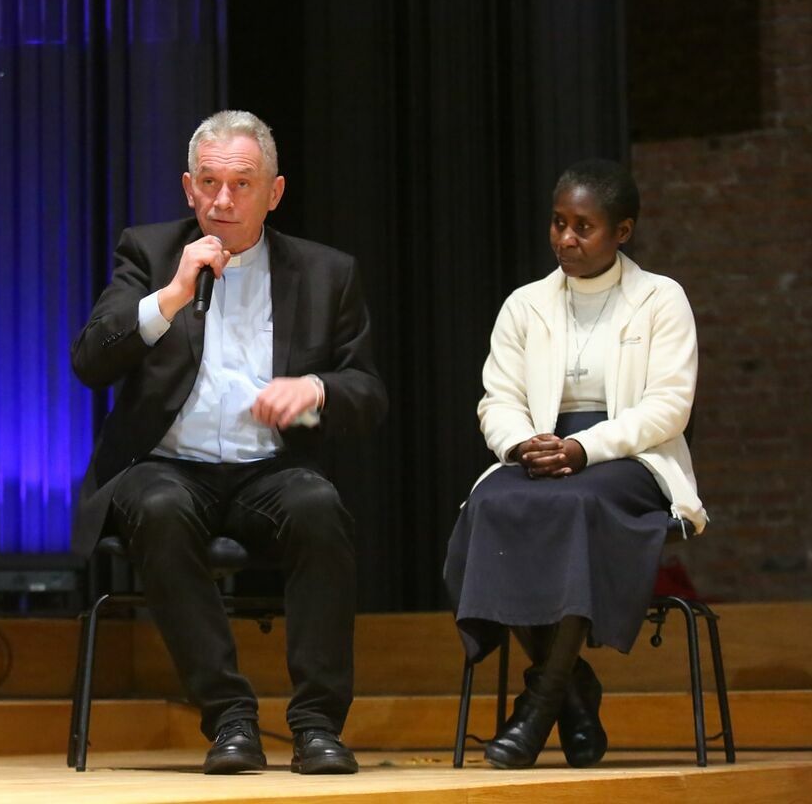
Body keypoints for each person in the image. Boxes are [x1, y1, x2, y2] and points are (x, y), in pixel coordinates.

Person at [71, 111, 386, 775]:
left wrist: (316, 388)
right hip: (165, 466)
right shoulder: (149, 253)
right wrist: (171, 295)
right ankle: (231, 720)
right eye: (209, 182)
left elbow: (367, 392)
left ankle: (317, 726)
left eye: (242, 184)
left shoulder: (327, 272)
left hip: (269, 469)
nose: (222, 199)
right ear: (188, 188)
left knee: (319, 509)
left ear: (274, 192)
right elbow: (90, 360)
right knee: (158, 508)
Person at [444, 159, 708, 769]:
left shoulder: (661, 299)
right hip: (541, 450)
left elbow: (669, 405)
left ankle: (539, 707)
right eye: (558, 222)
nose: (565, 238)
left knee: (576, 503)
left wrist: (585, 448)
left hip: (631, 456)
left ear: (622, 231)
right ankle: (573, 690)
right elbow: (497, 399)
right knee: (490, 505)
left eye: (583, 227)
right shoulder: (525, 304)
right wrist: (521, 445)